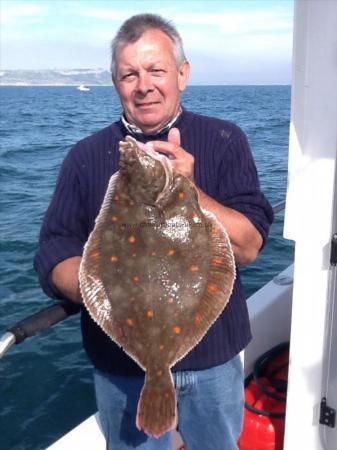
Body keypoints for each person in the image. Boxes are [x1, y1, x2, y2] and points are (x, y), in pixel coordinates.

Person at [34, 13, 273, 450]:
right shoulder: (84, 157)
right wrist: (99, 287)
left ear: (182, 74)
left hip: (213, 360)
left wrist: (189, 190)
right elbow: (53, 252)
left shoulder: (225, 139)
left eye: (156, 70)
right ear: (115, 82)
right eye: (129, 74)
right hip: (121, 368)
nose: (143, 85)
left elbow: (250, 246)